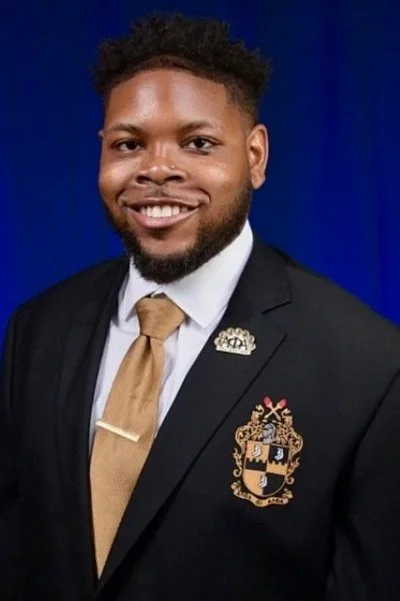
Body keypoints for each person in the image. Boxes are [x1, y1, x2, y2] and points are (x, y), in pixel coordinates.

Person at [1, 11, 399, 601]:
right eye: (129, 144)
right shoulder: (38, 328)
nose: (157, 169)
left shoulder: (368, 365)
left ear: (256, 156)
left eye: (199, 142)